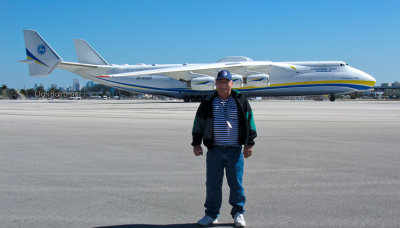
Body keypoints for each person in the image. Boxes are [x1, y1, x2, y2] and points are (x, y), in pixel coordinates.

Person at [192, 70, 257, 227]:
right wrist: (196, 143)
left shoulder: (240, 100)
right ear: (216, 83)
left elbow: (250, 121)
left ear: (231, 84)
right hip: (214, 150)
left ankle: (238, 213)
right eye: (220, 81)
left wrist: (249, 144)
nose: (223, 84)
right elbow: (198, 122)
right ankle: (211, 215)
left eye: (226, 81)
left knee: (236, 184)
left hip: (235, 150)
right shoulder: (208, 101)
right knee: (213, 184)